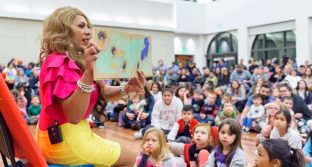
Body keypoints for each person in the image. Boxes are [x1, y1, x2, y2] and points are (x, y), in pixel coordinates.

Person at [36, 6, 146, 166]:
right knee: (130, 158)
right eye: (81, 26)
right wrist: (88, 72)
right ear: (63, 30)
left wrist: (128, 88)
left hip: (66, 135)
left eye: (89, 27)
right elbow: (73, 116)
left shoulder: (78, 59)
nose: (88, 31)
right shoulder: (59, 61)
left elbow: (103, 92)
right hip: (65, 140)